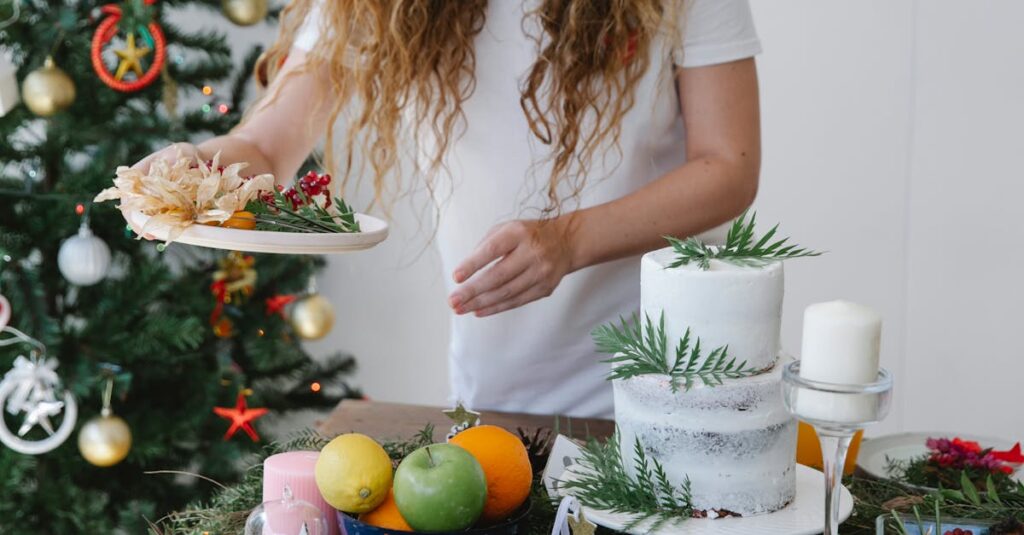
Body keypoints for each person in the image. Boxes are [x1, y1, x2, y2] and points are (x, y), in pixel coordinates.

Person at [135, 0, 762, 418]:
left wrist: (569, 239)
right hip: (495, 393)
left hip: (675, 385)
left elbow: (728, 168)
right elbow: (269, 144)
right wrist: (200, 167)